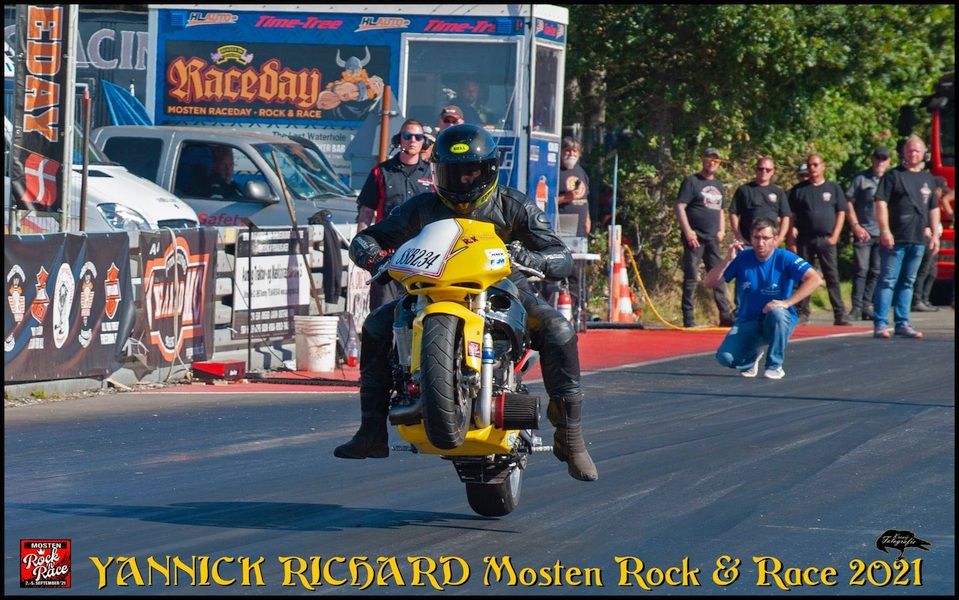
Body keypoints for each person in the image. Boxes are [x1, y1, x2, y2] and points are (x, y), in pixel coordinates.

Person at [334, 123, 598, 482]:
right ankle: (371, 431)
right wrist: (374, 256)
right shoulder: (422, 206)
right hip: (431, 290)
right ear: (437, 172)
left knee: (558, 328)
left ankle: (570, 437)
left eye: (471, 171)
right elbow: (367, 238)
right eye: (452, 172)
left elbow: (560, 254)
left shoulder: (513, 204)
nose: (462, 180)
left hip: (503, 289)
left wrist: (534, 258)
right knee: (377, 324)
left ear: (489, 169)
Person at [705, 217, 823, 380]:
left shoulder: (785, 258)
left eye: (766, 238)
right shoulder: (742, 258)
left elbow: (815, 279)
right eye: (756, 238)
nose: (760, 243)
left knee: (778, 313)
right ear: (751, 238)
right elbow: (709, 283)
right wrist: (728, 260)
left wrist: (787, 303)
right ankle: (752, 356)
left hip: (775, 319)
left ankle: (775, 365)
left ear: (775, 239)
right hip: (748, 320)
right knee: (725, 358)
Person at [355, 119, 434, 310]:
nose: (412, 140)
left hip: (422, 257)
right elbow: (366, 213)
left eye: (418, 137)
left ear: (424, 142)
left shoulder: (432, 173)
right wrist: (363, 254)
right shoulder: (381, 171)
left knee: (420, 313)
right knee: (382, 312)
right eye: (407, 136)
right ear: (399, 140)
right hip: (387, 258)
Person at [872, 135, 941, 339]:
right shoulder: (893, 176)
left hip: (918, 238)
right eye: (910, 150)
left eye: (917, 150)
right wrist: (885, 230)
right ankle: (881, 324)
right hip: (895, 238)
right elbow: (880, 203)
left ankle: (902, 323)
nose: (913, 154)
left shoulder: (928, 179)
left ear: (924, 154)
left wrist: (935, 234)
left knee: (908, 281)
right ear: (903, 152)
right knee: (888, 280)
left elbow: (933, 208)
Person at [787, 153, 851, 326]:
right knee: (803, 276)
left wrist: (835, 236)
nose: (812, 168)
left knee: (832, 276)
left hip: (826, 239)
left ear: (823, 166)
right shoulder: (798, 190)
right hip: (805, 239)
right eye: (809, 165)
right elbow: (789, 215)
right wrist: (791, 237)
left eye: (815, 165)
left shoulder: (833, 188)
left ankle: (840, 313)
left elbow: (841, 212)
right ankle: (802, 312)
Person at [675, 147, 735, 328]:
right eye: (709, 160)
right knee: (692, 277)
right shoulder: (692, 182)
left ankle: (725, 315)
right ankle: (688, 317)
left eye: (716, 161)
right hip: (695, 237)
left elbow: (721, 210)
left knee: (719, 276)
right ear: (703, 160)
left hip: (712, 238)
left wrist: (722, 230)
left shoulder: (718, 186)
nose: (712, 163)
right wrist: (688, 231)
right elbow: (680, 206)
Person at [845, 146, 891, 321]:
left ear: (889, 161)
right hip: (864, 232)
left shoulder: (891, 179)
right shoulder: (861, 178)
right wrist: (855, 225)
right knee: (861, 269)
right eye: (878, 157)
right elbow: (848, 202)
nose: (880, 161)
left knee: (876, 271)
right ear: (872, 159)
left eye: (884, 158)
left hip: (882, 233)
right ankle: (856, 307)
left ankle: (866, 305)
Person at [729, 156, 790, 247]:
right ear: (755, 170)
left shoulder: (778, 192)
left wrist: (780, 239)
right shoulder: (744, 190)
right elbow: (733, 213)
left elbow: (785, 216)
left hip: (770, 244)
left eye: (768, 170)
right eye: (761, 169)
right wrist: (739, 236)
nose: (764, 172)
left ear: (773, 171)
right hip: (748, 243)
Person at [912, 176, 951, 312]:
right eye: (941, 190)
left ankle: (925, 299)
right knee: (924, 270)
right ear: (937, 189)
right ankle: (917, 300)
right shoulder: (927, 202)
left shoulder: (934, 203)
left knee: (932, 272)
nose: (942, 194)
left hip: (934, 237)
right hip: (927, 237)